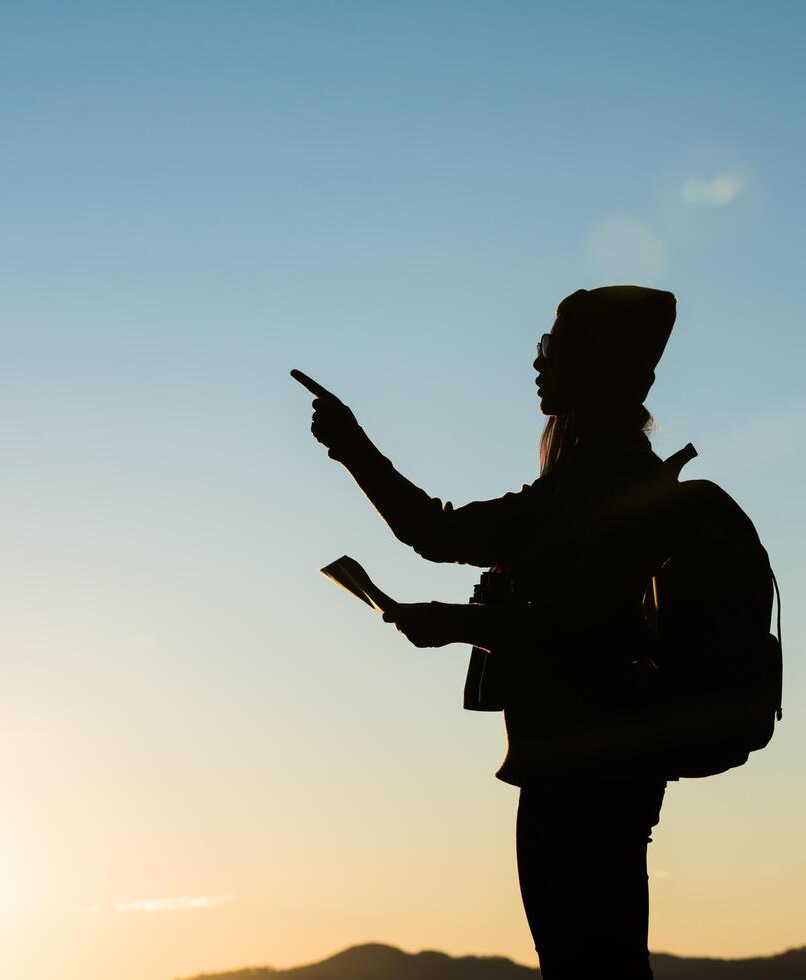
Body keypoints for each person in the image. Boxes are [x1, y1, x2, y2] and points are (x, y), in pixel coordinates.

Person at [293, 285, 680, 980]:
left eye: (551, 350)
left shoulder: (608, 479)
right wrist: (350, 448)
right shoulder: (584, 477)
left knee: (590, 968)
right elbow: (439, 536)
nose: (536, 365)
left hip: (587, 766)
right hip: (588, 760)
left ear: (592, 365)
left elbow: (583, 630)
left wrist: (453, 624)